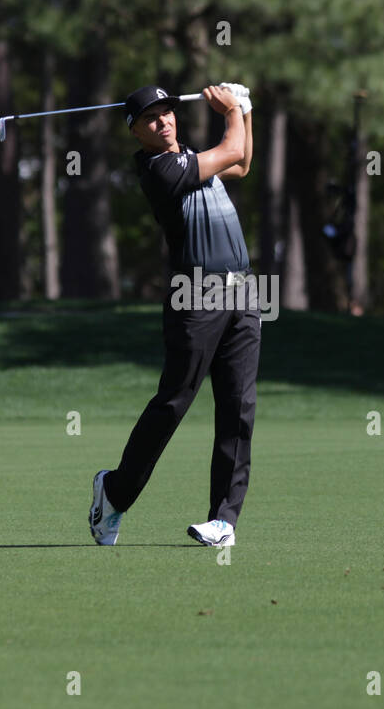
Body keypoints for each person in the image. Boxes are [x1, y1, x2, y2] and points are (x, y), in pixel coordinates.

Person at [89, 83, 259, 548]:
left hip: (243, 290)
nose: (163, 122)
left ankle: (224, 521)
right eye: (150, 119)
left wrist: (244, 111)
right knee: (175, 400)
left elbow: (240, 161)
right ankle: (115, 490)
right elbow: (232, 147)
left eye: (167, 112)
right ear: (135, 132)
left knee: (239, 406)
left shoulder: (194, 157)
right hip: (196, 294)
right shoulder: (159, 168)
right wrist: (233, 109)